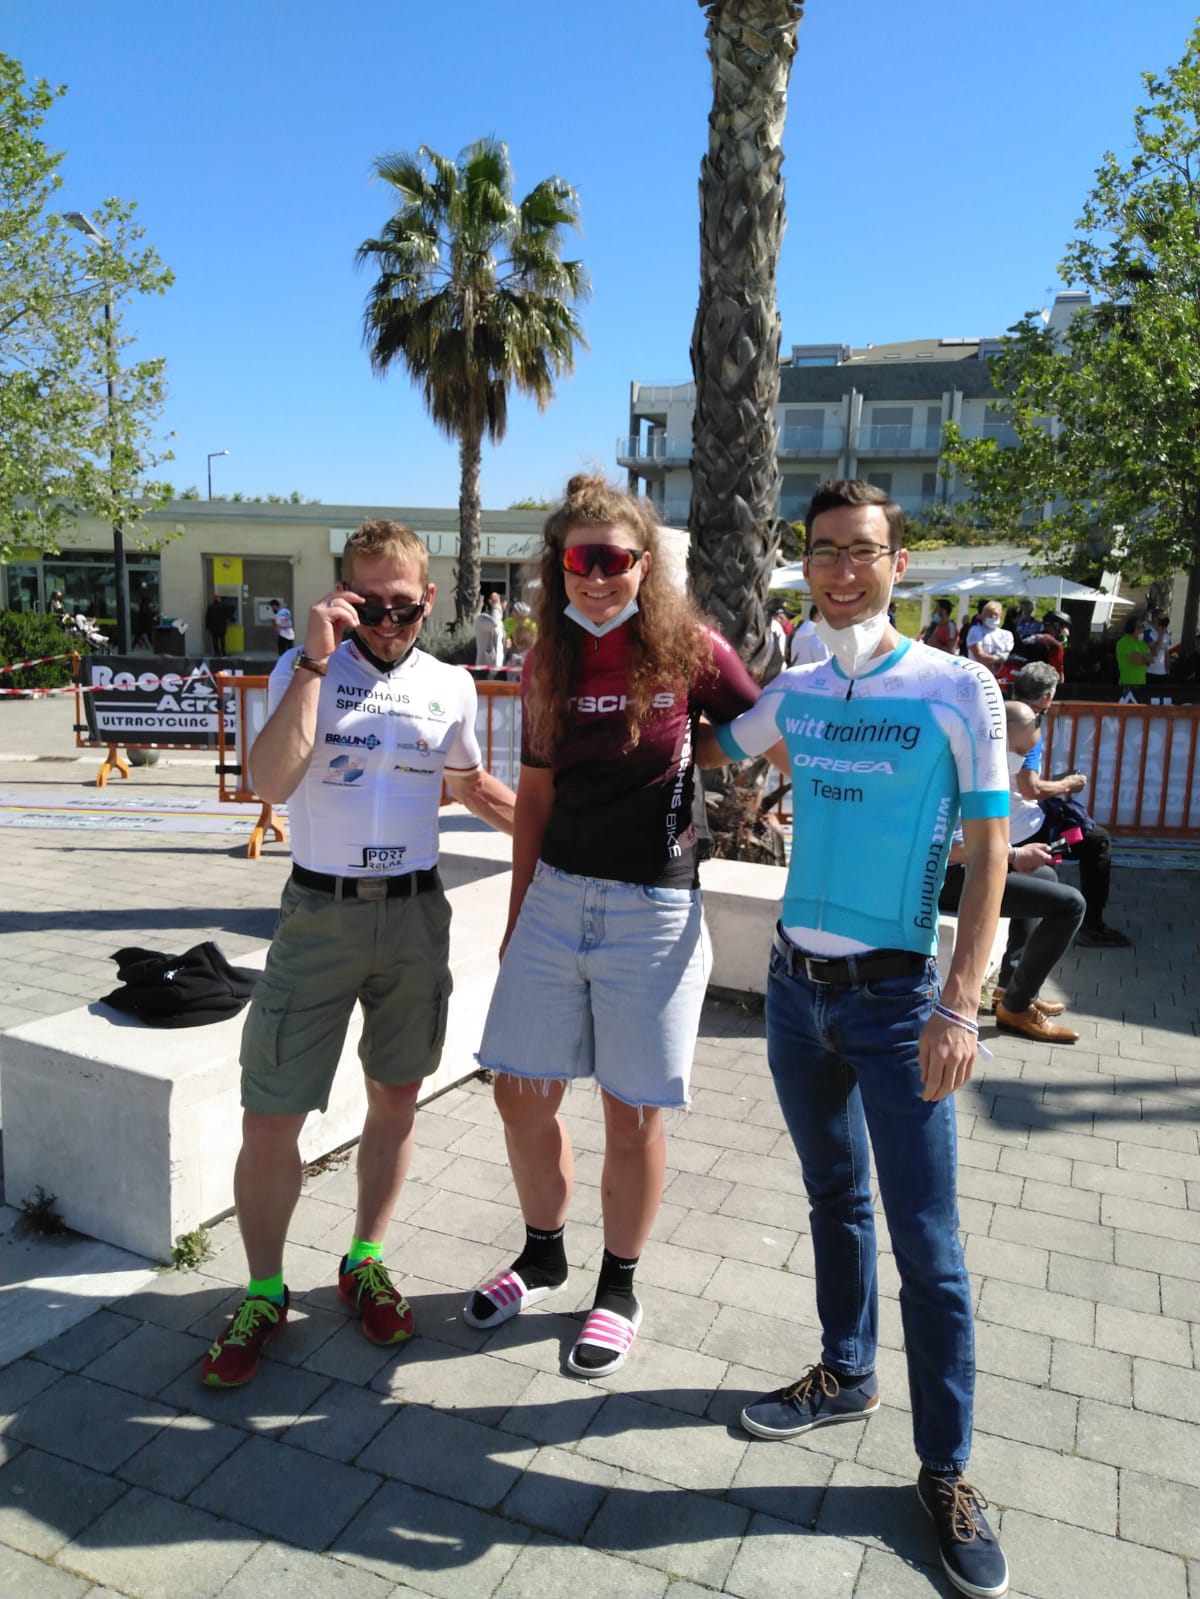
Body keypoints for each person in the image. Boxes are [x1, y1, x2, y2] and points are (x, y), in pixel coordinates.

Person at [703, 479, 1011, 1599]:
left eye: (863, 551)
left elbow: (990, 851)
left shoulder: (958, 686)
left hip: (898, 1003)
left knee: (929, 1247)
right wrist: (667, 647)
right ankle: (846, 1372)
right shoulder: (797, 687)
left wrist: (962, 1001)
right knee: (833, 1197)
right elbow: (715, 746)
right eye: (824, 551)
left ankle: (948, 1470)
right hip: (795, 992)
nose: (842, 571)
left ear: (898, 562)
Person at [200, 520, 516, 1388]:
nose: (386, 620)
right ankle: (264, 1291)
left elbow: (471, 786)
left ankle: (364, 1260)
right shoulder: (305, 669)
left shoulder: (451, 685)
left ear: (430, 599)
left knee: (396, 1099)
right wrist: (311, 661)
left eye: (402, 604)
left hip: (414, 915)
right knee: (271, 1115)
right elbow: (270, 782)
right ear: (342, 597)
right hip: (319, 913)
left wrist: (564, 840)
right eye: (366, 603)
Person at [463, 473, 759, 1378]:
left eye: (612, 559)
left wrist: (698, 752)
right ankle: (542, 1255)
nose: (594, 577)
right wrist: (518, 916)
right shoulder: (546, 660)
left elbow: (760, 727)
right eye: (577, 561)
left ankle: (618, 1286)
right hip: (556, 899)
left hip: (654, 911)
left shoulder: (691, 648)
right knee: (521, 1094)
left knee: (632, 1113)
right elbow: (536, 797)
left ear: (643, 564)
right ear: (557, 566)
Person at [940, 700, 1084, 1044]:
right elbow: (947, 846)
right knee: (1072, 905)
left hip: (970, 868)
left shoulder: (981, 764)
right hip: (946, 878)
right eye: (1020, 751)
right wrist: (1014, 854)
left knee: (1045, 878)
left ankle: (1010, 990)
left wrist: (1017, 855)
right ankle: (1016, 1008)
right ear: (1000, 736)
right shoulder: (958, 769)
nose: (1021, 761)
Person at [1009, 662, 1131, 948]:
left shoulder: (1000, 714)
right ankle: (1091, 927)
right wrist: (1068, 784)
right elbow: (1030, 789)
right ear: (1047, 697)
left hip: (993, 820)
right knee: (1096, 841)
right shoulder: (1028, 726)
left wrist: (1055, 782)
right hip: (1024, 830)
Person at [966, 600, 1013, 675]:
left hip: (1000, 675)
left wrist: (998, 659)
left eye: (996, 614)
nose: (993, 617)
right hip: (978, 673)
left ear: (1000, 616)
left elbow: (1008, 656)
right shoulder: (976, 630)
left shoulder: (1007, 634)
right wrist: (999, 658)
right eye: (989, 614)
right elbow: (980, 657)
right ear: (983, 616)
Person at [475, 591, 505, 676]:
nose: (501, 607)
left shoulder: (500, 622)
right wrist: (495, 605)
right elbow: (494, 623)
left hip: (498, 667)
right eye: (498, 602)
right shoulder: (481, 619)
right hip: (485, 667)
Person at [1115, 615, 1151, 687]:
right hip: (1128, 682)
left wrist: (1144, 658)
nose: (1142, 629)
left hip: (1141, 682)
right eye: (1139, 627)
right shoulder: (1124, 642)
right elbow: (1137, 661)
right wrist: (1145, 658)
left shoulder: (1142, 642)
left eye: (1143, 627)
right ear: (1131, 628)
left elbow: (1149, 661)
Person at [1145, 610, 1173, 680]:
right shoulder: (1147, 633)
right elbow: (1154, 652)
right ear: (1155, 619)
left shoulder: (1167, 635)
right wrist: (1161, 634)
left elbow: (1166, 654)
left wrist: (1167, 670)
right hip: (1149, 672)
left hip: (1162, 673)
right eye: (1162, 618)